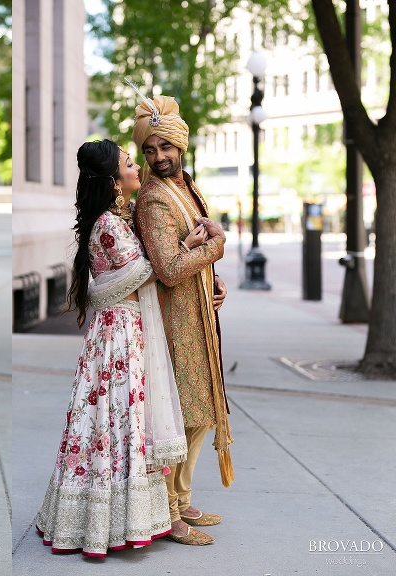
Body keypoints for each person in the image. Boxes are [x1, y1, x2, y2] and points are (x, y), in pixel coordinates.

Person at [35, 139, 209, 557]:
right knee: (118, 419)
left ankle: (135, 513)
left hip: (124, 327)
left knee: (116, 422)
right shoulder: (109, 226)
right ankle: (110, 522)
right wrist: (185, 249)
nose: (137, 168)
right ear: (115, 182)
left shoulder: (118, 217)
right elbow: (144, 273)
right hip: (118, 334)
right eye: (130, 163)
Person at [130, 91, 232, 546]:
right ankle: (170, 514)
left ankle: (184, 496)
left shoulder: (186, 187)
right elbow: (169, 268)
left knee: (203, 412)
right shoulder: (153, 200)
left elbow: (190, 253)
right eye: (149, 150)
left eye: (164, 148)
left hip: (199, 315)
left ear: (180, 147)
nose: (158, 157)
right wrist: (215, 246)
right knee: (182, 415)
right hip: (175, 323)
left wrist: (215, 278)